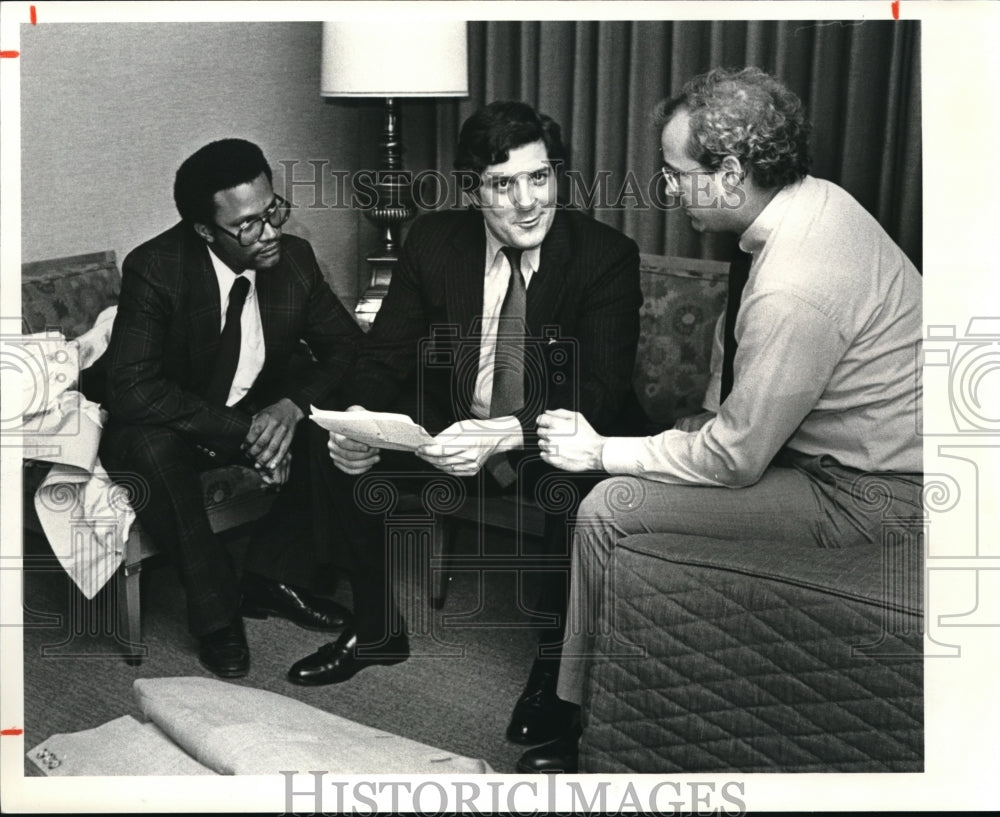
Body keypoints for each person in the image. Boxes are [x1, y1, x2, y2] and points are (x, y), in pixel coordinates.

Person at [520, 67, 924, 772]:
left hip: (875, 498)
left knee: (607, 506)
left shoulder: (795, 282)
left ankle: (578, 721)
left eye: (676, 173)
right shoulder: (818, 204)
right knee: (624, 488)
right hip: (846, 470)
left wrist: (598, 450)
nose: (668, 189)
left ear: (731, 171)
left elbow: (737, 458)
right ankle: (584, 702)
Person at [287, 101, 643, 750]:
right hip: (456, 423)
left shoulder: (605, 256)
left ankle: (555, 671)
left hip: (557, 430)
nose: (529, 201)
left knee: (576, 485)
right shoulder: (433, 239)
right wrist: (361, 421)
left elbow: (601, 393)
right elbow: (385, 354)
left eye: (541, 177)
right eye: (503, 184)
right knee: (329, 437)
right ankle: (375, 628)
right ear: (472, 189)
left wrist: (509, 430)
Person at [100, 138, 363, 678]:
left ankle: (271, 578)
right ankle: (216, 614)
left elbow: (346, 348)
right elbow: (131, 386)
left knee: (328, 417)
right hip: (168, 419)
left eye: (272, 212)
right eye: (247, 225)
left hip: (249, 401)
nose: (270, 232)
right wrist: (244, 432)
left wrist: (290, 408)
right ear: (204, 230)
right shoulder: (156, 267)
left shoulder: (294, 260)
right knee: (150, 445)